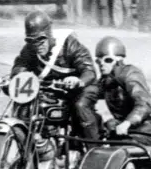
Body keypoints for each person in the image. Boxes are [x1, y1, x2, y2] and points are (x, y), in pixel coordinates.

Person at [9, 10, 101, 144]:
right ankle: (32, 146)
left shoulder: (70, 45)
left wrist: (79, 80)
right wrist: (18, 75)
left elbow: (89, 71)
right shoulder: (29, 49)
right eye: (31, 40)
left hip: (81, 87)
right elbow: (20, 65)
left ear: (49, 34)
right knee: (25, 104)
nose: (37, 45)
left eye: (41, 39)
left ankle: (94, 148)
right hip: (51, 88)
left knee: (80, 105)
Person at [95, 37, 151, 154]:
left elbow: (144, 103)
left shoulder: (131, 74)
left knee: (118, 150)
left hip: (150, 130)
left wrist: (127, 123)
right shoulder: (106, 81)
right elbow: (91, 92)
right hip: (128, 131)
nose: (102, 64)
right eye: (98, 61)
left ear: (119, 61)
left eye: (107, 60)